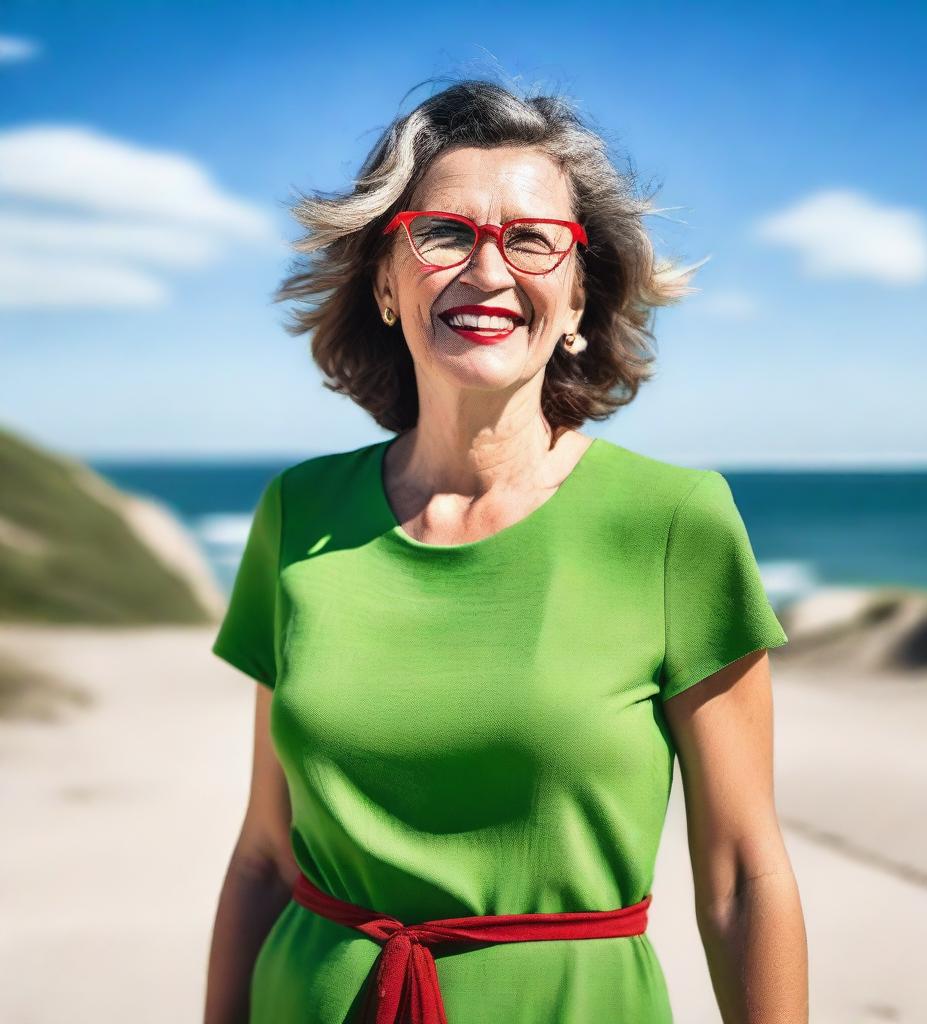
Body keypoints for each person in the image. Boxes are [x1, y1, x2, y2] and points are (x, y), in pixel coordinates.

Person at [203, 78, 808, 1024]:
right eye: (443, 232)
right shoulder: (299, 511)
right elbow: (263, 855)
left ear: (578, 299)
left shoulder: (674, 521)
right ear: (386, 282)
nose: (486, 272)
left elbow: (741, 879)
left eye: (532, 240)